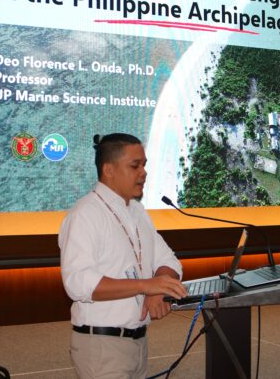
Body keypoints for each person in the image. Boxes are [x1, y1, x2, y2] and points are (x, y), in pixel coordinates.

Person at [59, 133, 187, 378]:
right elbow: (78, 283)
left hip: (138, 343)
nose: (144, 172)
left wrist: (159, 289)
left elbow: (168, 261)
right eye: (135, 165)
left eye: (144, 165)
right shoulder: (85, 215)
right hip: (102, 347)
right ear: (108, 170)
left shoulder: (137, 212)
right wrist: (146, 285)